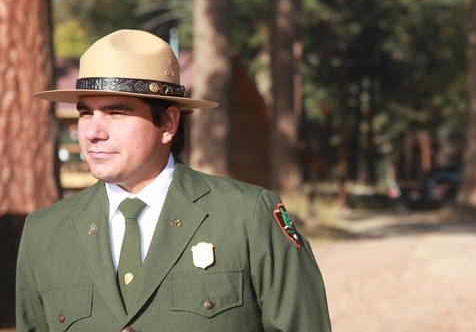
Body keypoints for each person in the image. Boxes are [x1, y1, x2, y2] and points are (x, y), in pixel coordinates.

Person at [16, 29, 332, 332]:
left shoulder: (248, 217)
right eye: (86, 113)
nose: (92, 132)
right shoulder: (44, 234)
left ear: (167, 123)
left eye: (116, 113)